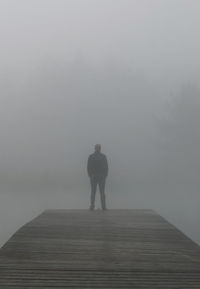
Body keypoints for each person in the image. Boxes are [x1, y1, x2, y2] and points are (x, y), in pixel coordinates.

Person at [87, 144, 108, 211]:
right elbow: (106, 167)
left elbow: (88, 167)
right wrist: (105, 175)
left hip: (95, 176)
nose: (97, 149)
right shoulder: (103, 156)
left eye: (97, 148)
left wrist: (90, 175)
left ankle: (92, 206)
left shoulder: (91, 156)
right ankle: (103, 207)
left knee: (94, 192)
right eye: (97, 148)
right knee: (101, 192)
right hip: (99, 176)